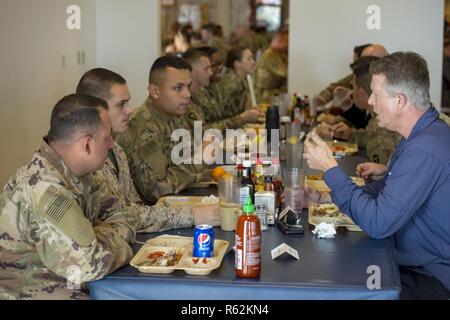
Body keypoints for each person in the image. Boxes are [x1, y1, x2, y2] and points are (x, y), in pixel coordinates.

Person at [304, 52, 450, 300]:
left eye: (376, 94)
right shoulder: (419, 135)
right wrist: (328, 197)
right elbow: (386, 190)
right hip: (409, 259)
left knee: (332, 282)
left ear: (400, 101)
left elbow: (378, 223)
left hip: (430, 275)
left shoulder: (424, 149)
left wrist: (330, 169)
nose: (370, 101)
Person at [0, 94, 135, 299]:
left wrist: (101, 234)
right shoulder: (43, 190)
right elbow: (88, 266)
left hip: (77, 287)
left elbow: (122, 212)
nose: (111, 145)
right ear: (87, 144)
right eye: (108, 137)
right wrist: (113, 234)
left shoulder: (82, 173)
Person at [76, 68, 220, 232]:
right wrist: (191, 214)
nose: (130, 110)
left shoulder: (116, 150)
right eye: (121, 104)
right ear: (95, 109)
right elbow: (141, 202)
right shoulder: (87, 159)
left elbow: (134, 208)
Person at [116, 56, 206, 205]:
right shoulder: (143, 129)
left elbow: (182, 164)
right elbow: (155, 191)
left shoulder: (174, 116)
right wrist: (198, 161)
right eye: (178, 88)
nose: (187, 94)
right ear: (155, 91)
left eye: (188, 87)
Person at [318, 56, 402, 165]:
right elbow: (368, 136)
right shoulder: (379, 119)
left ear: (361, 92)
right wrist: (351, 134)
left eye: (353, 87)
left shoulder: (381, 127)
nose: (351, 92)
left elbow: (386, 177)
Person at [183, 49, 260, 132]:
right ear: (192, 72)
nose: (211, 72)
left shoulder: (201, 92)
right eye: (206, 69)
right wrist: (242, 118)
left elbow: (218, 118)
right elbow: (203, 132)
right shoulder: (185, 99)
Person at [204, 47, 258, 122]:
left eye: (253, 58)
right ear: (237, 64)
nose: (253, 62)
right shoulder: (229, 85)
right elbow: (225, 117)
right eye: (249, 59)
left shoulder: (242, 81)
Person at [253, 30, 289, 104]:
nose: (287, 45)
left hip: (272, 90)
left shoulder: (278, 54)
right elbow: (286, 73)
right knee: (290, 94)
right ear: (279, 41)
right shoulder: (271, 55)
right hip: (265, 93)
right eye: (286, 42)